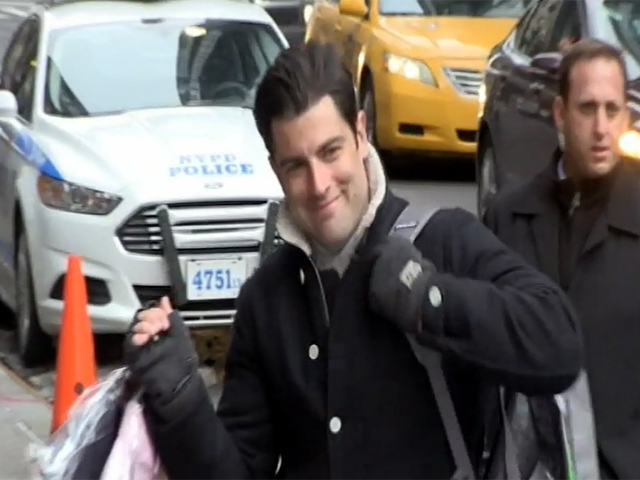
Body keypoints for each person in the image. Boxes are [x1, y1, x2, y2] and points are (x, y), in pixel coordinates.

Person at [123, 40, 582, 479]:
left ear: (361, 133)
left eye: (330, 151)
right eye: (296, 165)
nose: (319, 184)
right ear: (275, 169)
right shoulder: (266, 299)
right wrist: (180, 397)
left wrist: (429, 299)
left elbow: (557, 346)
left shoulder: (443, 238)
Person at [483, 38, 640, 479]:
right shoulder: (507, 217)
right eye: (587, 109)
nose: (601, 128)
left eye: (613, 110)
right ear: (559, 113)